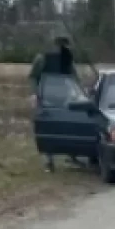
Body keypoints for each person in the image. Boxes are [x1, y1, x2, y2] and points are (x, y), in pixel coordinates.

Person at [28, 34, 82, 172]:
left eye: (65, 44)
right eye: (61, 44)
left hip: (64, 97)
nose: (63, 47)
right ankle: (49, 162)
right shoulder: (42, 58)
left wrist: (79, 93)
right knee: (47, 128)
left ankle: (72, 156)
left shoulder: (68, 59)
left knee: (70, 126)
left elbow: (74, 77)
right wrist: (35, 94)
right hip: (46, 96)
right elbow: (33, 77)